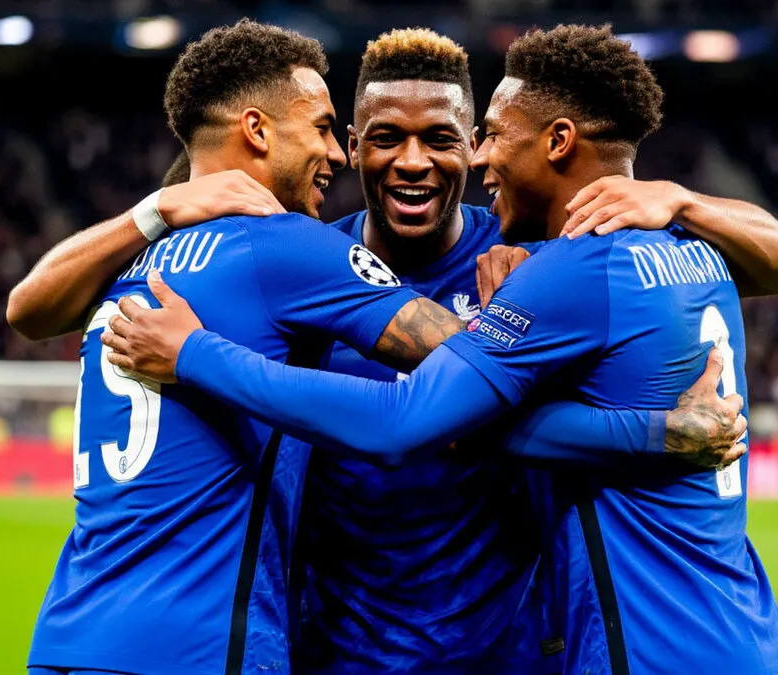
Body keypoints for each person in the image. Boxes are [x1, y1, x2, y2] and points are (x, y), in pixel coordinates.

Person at [14, 26, 778, 675]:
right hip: (332, 644)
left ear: (468, 147)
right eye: (372, 137)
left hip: (505, 648)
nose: (411, 160)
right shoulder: (305, 259)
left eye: (446, 139)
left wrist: (682, 198)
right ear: (359, 145)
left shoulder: (533, 262)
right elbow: (421, 410)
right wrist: (652, 434)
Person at [24, 21, 468, 675]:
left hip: (69, 631)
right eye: (320, 127)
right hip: (196, 644)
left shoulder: (128, 260)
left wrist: (152, 210)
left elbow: (26, 309)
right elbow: (474, 365)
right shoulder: (286, 244)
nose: (336, 153)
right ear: (257, 131)